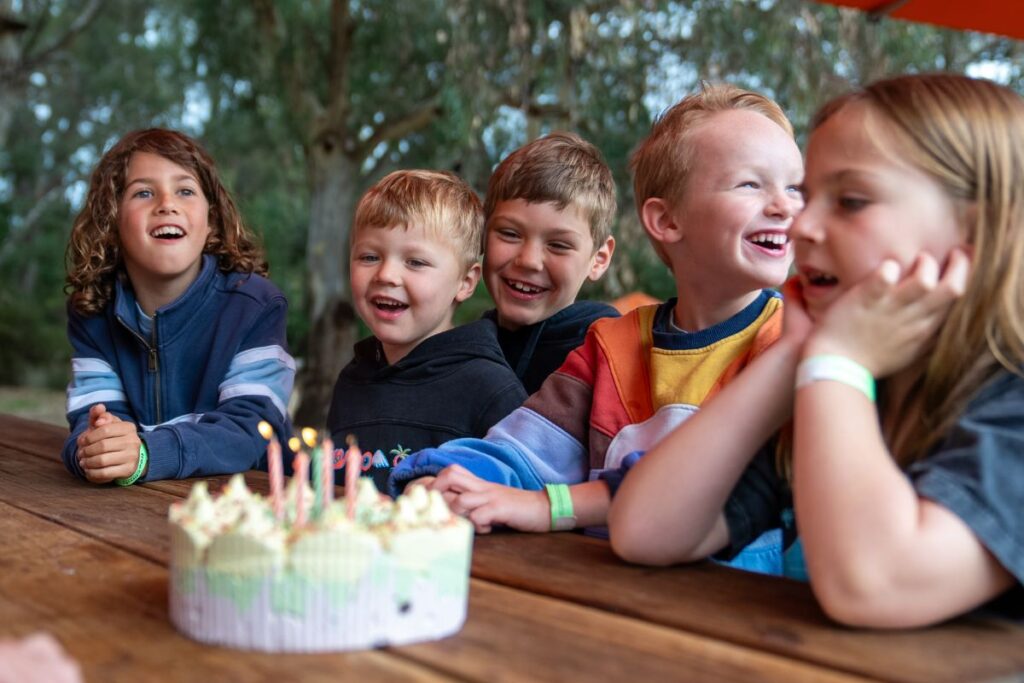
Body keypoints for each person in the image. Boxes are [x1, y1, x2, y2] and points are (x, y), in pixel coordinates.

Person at [610, 73, 1023, 628]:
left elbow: (873, 585)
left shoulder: (1009, 405)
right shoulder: (839, 395)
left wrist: (839, 363)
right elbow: (646, 530)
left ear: (980, 231)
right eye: (810, 195)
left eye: (850, 201)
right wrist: (793, 355)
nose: (801, 224)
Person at [390, 85, 804, 573]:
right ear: (667, 220)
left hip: (734, 608)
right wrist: (446, 481)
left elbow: (708, 484)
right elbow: (520, 453)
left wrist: (549, 506)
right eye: (751, 185)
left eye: (796, 188)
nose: (785, 206)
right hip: (603, 599)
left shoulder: (793, 349)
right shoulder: (610, 347)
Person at [62, 128, 294, 484]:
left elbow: (250, 429)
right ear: (112, 221)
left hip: (252, 499)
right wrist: (95, 448)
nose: (166, 204)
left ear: (211, 221)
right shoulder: (93, 314)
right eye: (143, 192)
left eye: (185, 191)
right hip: (141, 504)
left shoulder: (255, 306)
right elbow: (91, 422)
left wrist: (148, 453)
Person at [326, 170, 527, 491]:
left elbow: (521, 493)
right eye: (369, 256)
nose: (386, 274)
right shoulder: (351, 380)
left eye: (416, 262)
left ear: (465, 282)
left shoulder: (490, 389)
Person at [481, 132, 619, 394]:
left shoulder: (609, 356)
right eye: (510, 234)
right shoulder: (460, 350)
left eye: (558, 245)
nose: (529, 261)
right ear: (481, 234)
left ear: (599, 259)